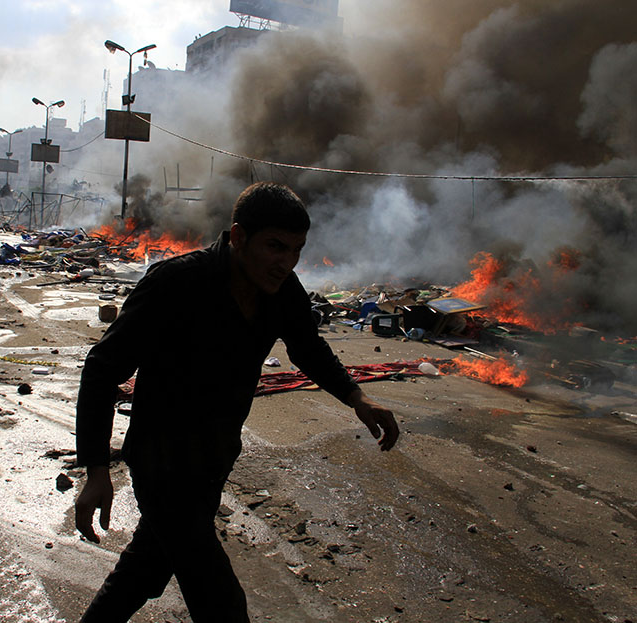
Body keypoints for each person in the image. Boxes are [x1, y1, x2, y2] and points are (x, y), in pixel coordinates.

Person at [74, 182, 399, 623]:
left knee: (143, 571)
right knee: (221, 603)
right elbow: (101, 369)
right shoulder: (176, 283)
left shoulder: (280, 289)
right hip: (161, 463)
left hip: (213, 460)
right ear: (239, 237)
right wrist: (96, 471)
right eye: (275, 247)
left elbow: (307, 347)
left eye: (297, 250)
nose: (286, 262)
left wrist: (357, 398)